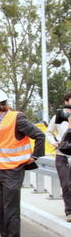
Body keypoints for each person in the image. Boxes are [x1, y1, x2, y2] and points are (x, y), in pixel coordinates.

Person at [0, 89, 45, 237]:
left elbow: (39, 135)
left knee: (11, 212)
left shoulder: (17, 118)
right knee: (1, 211)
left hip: (12, 171)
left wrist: (33, 157)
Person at [45, 92, 71, 223]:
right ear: (66, 101)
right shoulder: (59, 117)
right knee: (66, 184)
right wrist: (54, 142)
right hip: (62, 155)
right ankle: (69, 211)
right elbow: (48, 133)